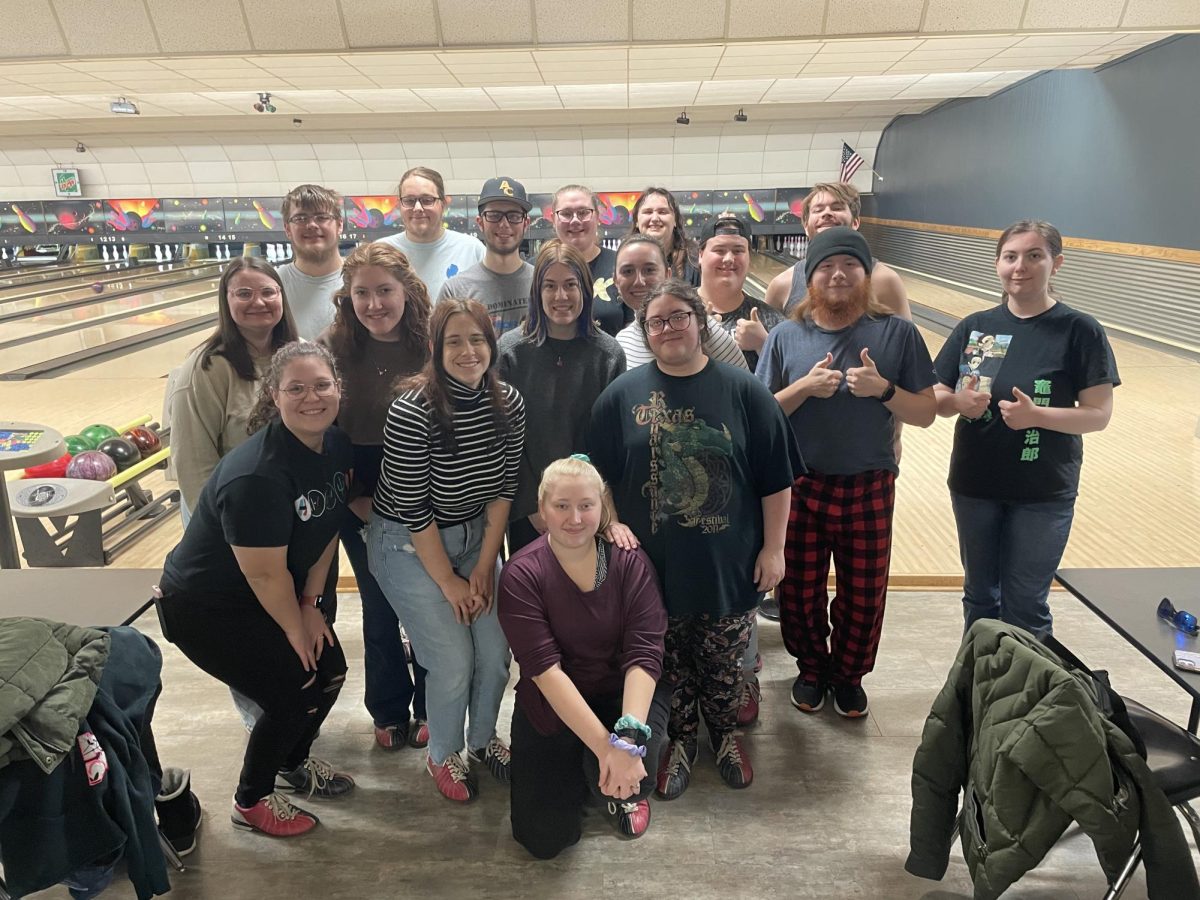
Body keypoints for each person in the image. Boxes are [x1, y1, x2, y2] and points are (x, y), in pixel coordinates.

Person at [589, 280, 803, 801]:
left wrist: (774, 549)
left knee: (726, 663)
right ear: (646, 332)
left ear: (700, 320)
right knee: (671, 665)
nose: (669, 329)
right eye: (656, 322)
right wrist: (611, 520)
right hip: (651, 568)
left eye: (678, 316)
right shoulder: (622, 395)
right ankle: (682, 742)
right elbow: (596, 472)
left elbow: (778, 478)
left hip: (728, 561)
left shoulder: (744, 390)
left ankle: (725, 736)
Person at [157, 341, 355, 837]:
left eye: (321, 385)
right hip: (205, 608)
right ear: (274, 394)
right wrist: (295, 627)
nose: (311, 398)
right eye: (296, 388)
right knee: (294, 689)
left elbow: (328, 526)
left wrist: (312, 606)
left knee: (329, 671)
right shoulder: (257, 476)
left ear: (338, 388)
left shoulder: (335, 445)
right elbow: (263, 574)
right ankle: (250, 800)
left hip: (267, 593)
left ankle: (291, 763)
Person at [757, 227, 938, 719]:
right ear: (810, 276)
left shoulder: (897, 333)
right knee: (797, 591)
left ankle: (849, 675)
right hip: (799, 485)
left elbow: (925, 412)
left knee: (864, 592)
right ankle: (812, 668)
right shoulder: (785, 337)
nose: (838, 274)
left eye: (850, 265)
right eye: (825, 266)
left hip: (869, 483)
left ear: (866, 274)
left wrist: (884, 390)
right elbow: (760, 417)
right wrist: (804, 388)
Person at [366, 298, 525, 802]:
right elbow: (416, 513)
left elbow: (503, 490)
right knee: (453, 660)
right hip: (407, 545)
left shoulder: (509, 403)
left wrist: (482, 566)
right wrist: (450, 582)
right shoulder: (412, 410)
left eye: (476, 339)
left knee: (497, 654)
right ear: (435, 348)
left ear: (491, 343)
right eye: (454, 340)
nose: (467, 350)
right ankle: (444, 754)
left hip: (475, 536)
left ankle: (481, 740)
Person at [933, 220, 1118, 636]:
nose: (1021, 266)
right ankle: (978, 692)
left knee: (1026, 605)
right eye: (1010, 256)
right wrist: (956, 402)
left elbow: (1099, 414)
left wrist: (1038, 416)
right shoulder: (975, 326)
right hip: (974, 484)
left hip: (1043, 491)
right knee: (980, 597)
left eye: (1035, 255)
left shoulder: (1079, 330)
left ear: (1057, 263)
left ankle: (1026, 699)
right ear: (998, 264)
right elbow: (937, 396)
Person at [498, 455, 670, 857]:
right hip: (554, 703)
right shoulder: (522, 574)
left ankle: (608, 776)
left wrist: (627, 741)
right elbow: (544, 670)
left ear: (602, 508)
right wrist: (603, 748)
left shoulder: (630, 562)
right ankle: (586, 764)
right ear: (541, 512)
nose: (574, 518)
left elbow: (645, 651)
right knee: (542, 839)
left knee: (633, 780)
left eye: (586, 506)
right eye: (561, 506)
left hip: (620, 696)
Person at [318, 242, 431, 751]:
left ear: (406, 291)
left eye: (384, 291)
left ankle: (432, 705)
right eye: (361, 292)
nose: (374, 304)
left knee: (429, 603)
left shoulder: (432, 344)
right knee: (380, 601)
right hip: (356, 484)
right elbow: (322, 435)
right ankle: (387, 709)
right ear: (348, 296)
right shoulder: (333, 347)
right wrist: (356, 497)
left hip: (427, 486)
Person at [498, 240, 625, 554]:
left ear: (585, 289)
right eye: (550, 286)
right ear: (536, 293)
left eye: (571, 285)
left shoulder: (608, 354)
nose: (561, 296)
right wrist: (533, 504)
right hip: (529, 512)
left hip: (589, 509)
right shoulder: (511, 352)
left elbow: (610, 442)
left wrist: (591, 506)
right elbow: (505, 439)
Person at [169, 257, 298, 517]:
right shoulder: (206, 368)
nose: (258, 302)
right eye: (244, 294)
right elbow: (193, 458)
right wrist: (215, 524)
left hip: (294, 505)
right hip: (232, 510)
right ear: (225, 301)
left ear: (281, 296)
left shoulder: (300, 355)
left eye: (268, 292)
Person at [763, 182, 911, 321]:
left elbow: (906, 342)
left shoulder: (886, 280)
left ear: (855, 222)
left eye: (837, 208)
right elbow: (771, 344)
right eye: (818, 210)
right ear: (806, 226)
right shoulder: (781, 285)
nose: (827, 213)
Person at [612, 234, 746, 371]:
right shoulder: (622, 342)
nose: (639, 281)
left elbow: (744, 387)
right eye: (627, 271)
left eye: (649, 270)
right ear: (616, 281)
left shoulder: (699, 328)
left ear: (667, 275)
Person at [438, 176, 534, 337]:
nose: (504, 224)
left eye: (514, 216)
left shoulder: (544, 283)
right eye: (494, 215)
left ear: (526, 223)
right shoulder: (454, 291)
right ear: (480, 222)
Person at [376, 166, 485, 300]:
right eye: (409, 201)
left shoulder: (472, 250)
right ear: (399, 205)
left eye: (427, 200)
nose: (417, 208)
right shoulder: (381, 251)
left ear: (443, 204)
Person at [696, 213, 785, 372]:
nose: (729, 258)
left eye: (738, 251)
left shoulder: (773, 322)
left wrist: (765, 344)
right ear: (700, 255)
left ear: (749, 257)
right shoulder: (675, 313)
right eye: (719, 250)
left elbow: (794, 381)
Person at [552, 184, 627, 336]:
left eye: (583, 212)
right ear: (553, 220)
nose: (575, 220)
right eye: (566, 214)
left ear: (598, 217)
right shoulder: (538, 269)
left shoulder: (622, 265)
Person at [276, 183, 345, 340]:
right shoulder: (272, 285)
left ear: (339, 225)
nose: (312, 225)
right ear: (287, 229)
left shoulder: (363, 279)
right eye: (300, 218)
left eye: (322, 217)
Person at [627, 187, 698, 283]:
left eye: (662, 212)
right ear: (636, 221)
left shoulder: (694, 260)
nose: (655, 218)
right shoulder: (624, 259)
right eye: (648, 212)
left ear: (675, 221)